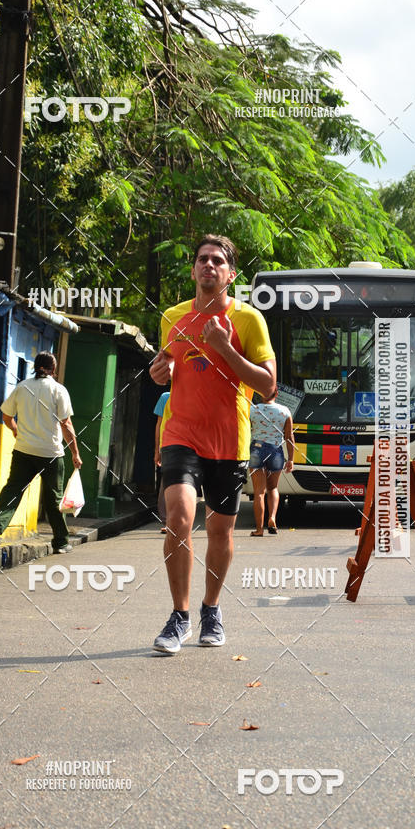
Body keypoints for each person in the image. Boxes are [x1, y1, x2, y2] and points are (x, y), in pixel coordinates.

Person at [149, 234, 276, 654]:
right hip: (180, 433)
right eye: (202, 259)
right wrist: (160, 371)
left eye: (218, 261)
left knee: (220, 531)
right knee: (179, 518)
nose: (209, 265)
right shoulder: (172, 317)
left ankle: (211, 609)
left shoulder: (248, 320)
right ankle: (179, 616)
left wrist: (224, 348)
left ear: (231, 274)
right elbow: (169, 365)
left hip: (228, 440)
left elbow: (269, 386)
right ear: (193, 270)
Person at [0, 352, 82, 552]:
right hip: (51, 453)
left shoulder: (22, 387)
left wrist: (16, 430)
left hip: (23, 450)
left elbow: (6, 416)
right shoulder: (58, 390)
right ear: (53, 370)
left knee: (13, 490)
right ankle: (61, 542)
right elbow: (66, 424)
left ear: (35, 367)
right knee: (53, 498)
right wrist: (75, 452)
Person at [249, 392, 294, 535]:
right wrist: (291, 459)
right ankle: (272, 518)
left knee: (259, 492)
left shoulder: (252, 409)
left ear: (261, 393)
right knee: (273, 488)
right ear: (277, 393)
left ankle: (259, 529)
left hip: (256, 449)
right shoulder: (285, 411)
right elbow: (289, 437)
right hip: (276, 451)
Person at [154, 391, 170, 532]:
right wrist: (157, 450)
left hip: (185, 446)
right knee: (167, 483)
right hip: (168, 446)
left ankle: (171, 521)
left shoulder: (165, 397)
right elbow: (159, 425)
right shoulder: (165, 397)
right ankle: (167, 521)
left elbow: (158, 425)